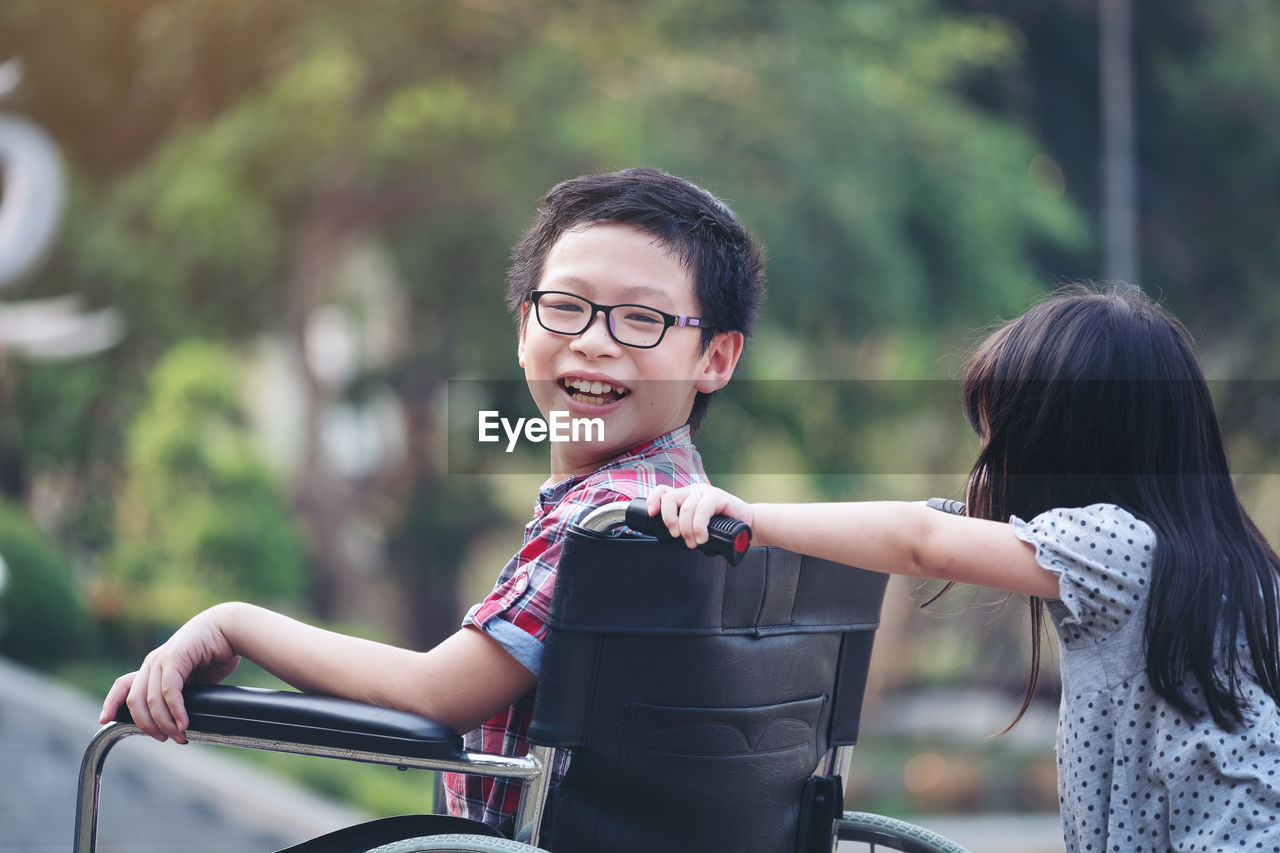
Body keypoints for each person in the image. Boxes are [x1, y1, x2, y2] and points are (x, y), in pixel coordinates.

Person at [100, 167, 766, 836]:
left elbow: (435, 695)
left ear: (715, 356)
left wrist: (231, 622)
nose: (594, 339)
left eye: (640, 318)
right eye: (566, 305)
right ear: (523, 326)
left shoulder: (616, 520)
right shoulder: (690, 502)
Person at [647, 285, 1280, 853]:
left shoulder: (1123, 547)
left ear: (1066, 443)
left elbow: (922, 541)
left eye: (997, 433)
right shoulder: (1209, 558)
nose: (986, 456)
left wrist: (749, 516)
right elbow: (930, 524)